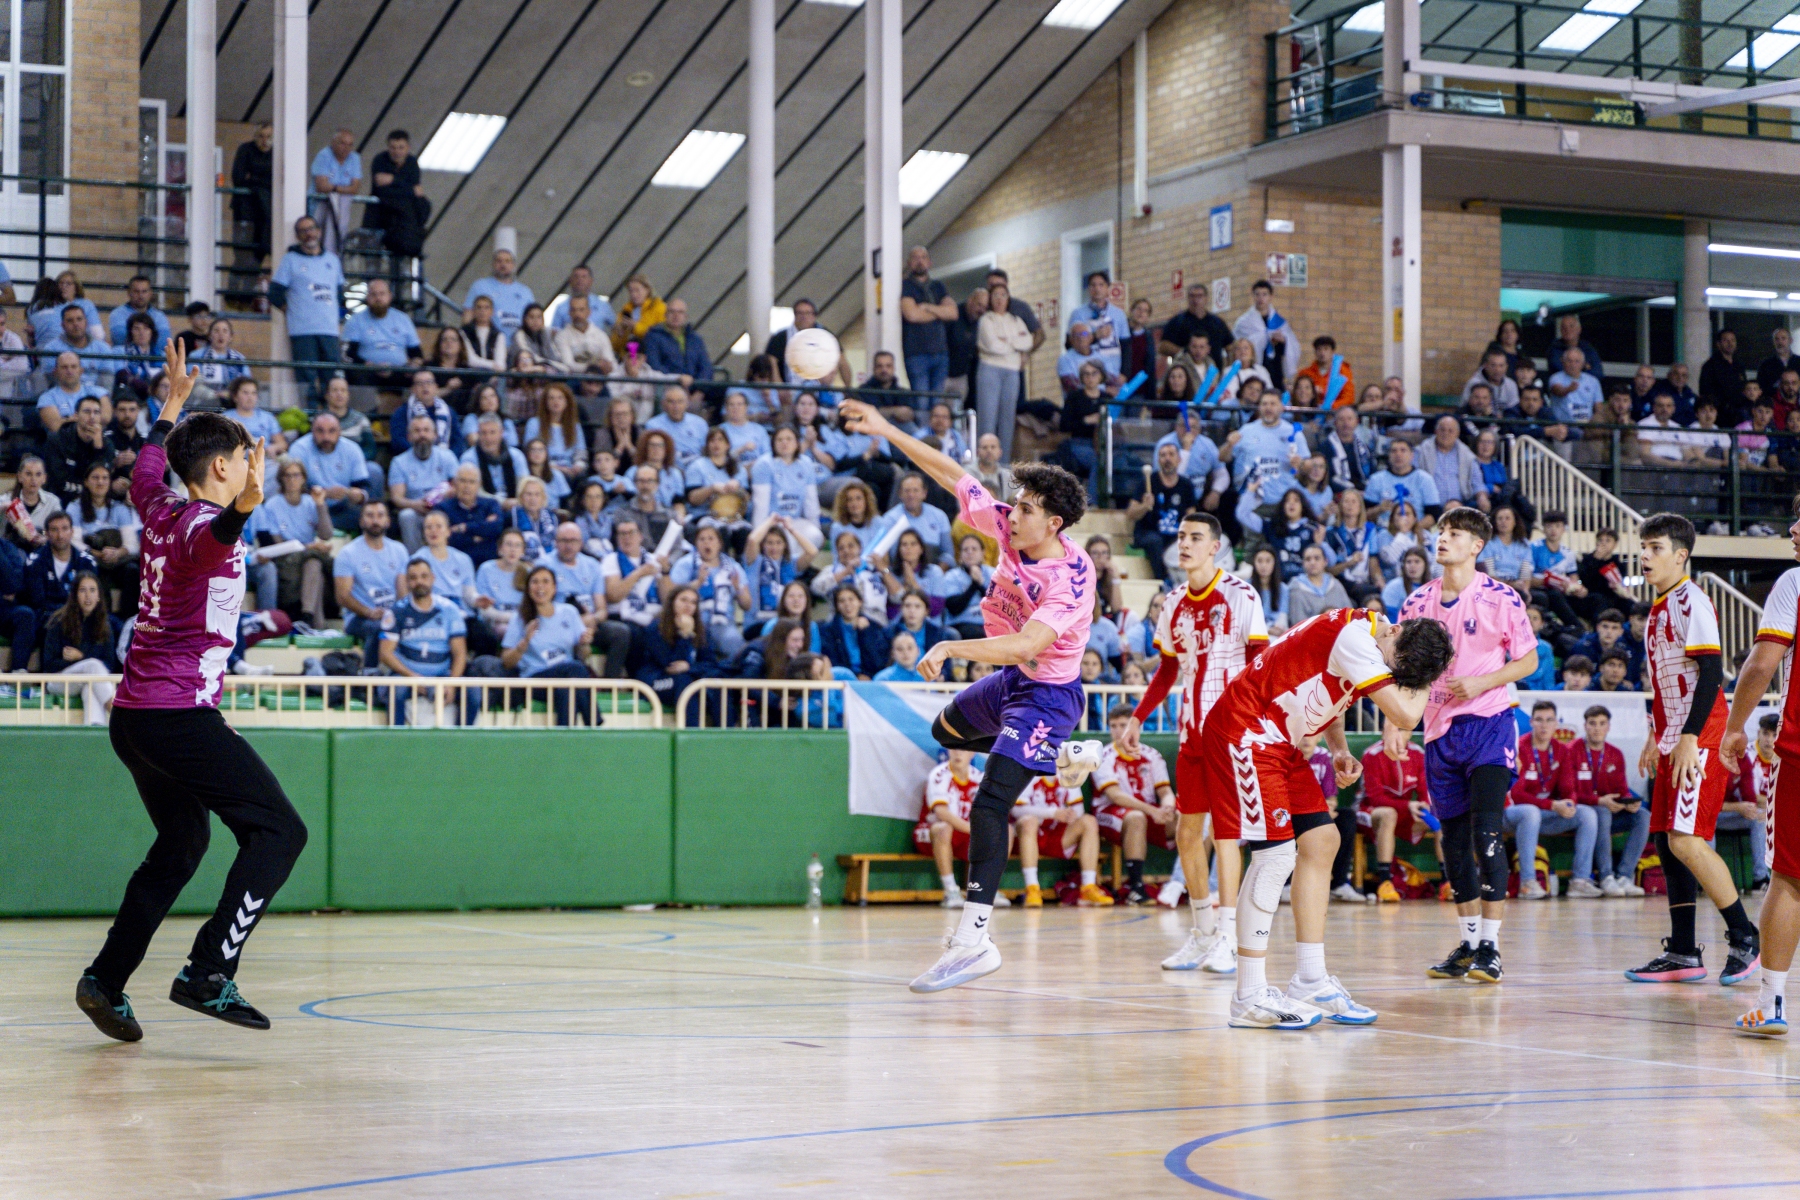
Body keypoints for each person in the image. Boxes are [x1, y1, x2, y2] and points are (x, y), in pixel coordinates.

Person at [75, 339, 308, 1043]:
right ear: (222, 469)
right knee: (280, 832)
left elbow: (146, 468)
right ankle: (208, 971)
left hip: (136, 718)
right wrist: (246, 509)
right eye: (242, 457)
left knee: (181, 843)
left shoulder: (159, 507)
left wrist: (170, 405)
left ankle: (105, 980)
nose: (249, 465)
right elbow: (213, 544)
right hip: (176, 715)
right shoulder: (207, 526)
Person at [839, 398, 1098, 992]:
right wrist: (885, 427)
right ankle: (1057, 756)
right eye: (1016, 504)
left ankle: (973, 941)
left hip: (1046, 696)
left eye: (1026, 508)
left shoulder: (1068, 582)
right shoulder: (1011, 527)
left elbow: (1025, 645)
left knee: (988, 805)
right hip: (1011, 683)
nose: (1012, 514)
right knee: (946, 732)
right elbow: (952, 474)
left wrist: (952, 646)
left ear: (1054, 524)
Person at [1200, 605, 1454, 1028]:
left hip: (1280, 741)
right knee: (1275, 857)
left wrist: (1338, 749)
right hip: (1245, 732)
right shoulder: (1357, 638)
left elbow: (1334, 693)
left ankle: (1310, 979)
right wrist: (1429, 676)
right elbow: (1406, 715)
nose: (1391, 674)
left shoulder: (1369, 637)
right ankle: (1248, 994)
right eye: (1396, 668)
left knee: (1322, 841)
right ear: (1395, 631)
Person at [1399, 507, 1540, 984]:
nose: (1442, 538)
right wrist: (1398, 722)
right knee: (1453, 840)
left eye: (1454, 533)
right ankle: (1469, 943)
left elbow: (1528, 661)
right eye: (1440, 531)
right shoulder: (1416, 601)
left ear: (1477, 546)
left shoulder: (1501, 597)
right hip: (1439, 731)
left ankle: (1492, 949)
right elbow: (1406, 671)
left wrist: (1483, 683)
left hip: (1489, 724)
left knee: (1487, 832)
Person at [1623, 512, 1760, 986]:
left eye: (1655, 547)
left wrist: (1686, 738)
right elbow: (1668, 683)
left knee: (1686, 839)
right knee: (1666, 838)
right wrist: (1654, 733)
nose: (1645, 555)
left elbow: (1711, 673)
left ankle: (1744, 936)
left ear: (1681, 555)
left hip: (1700, 734)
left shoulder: (1692, 600)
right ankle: (1683, 951)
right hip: (1674, 735)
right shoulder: (1658, 608)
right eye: (1643, 547)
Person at [1724, 502, 1800, 1031]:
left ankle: (1771, 1004)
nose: (1793, 528)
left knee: (1790, 879)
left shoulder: (1794, 582)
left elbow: (1761, 664)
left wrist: (1734, 727)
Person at [1558, 703, 1649, 898]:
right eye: (1592, 723)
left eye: (1602, 723)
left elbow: (1622, 790)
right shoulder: (1571, 750)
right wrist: (1599, 801)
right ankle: (1606, 876)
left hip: (1609, 812)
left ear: (1608, 727)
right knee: (1602, 811)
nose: (1597, 728)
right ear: (1585, 726)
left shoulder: (1615, 754)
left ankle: (1624, 876)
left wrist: (1628, 802)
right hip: (1582, 815)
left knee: (1643, 816)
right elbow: (1567, 792)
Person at [1093, 702, 1177, 905]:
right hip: (1108, 812)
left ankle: (1184, 883)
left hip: (1147, 811)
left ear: (1135, 727)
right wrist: (1152, 810)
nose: (1117, 731)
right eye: (1113, 726)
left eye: (1123, 725)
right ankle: (1136, 888)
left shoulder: (1151, 755)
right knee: (1136, 817)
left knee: (1183, 820)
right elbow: (1116, 796)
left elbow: (1165, 791)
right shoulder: (1103, 756)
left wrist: (1167, 807)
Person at [378, 558, 477, 726]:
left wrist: (452, 683)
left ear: (432, 578)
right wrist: (412, 677)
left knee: (473, 693)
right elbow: (385, 653)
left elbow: (460, 653)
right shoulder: (396, 611)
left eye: (424, 576)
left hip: (443, 675)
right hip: (407, 676)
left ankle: (461, 739)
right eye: (413, 577)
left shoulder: (449, 610)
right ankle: (396, 739)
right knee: (397, 691)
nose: (419, 582)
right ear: (407, 581)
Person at [499, 564, 596, 726]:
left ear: (554, 587)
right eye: (535, 582)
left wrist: (584, 643)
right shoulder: (520, 617)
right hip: (535, 679)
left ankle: (564, 738)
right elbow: (506, 661)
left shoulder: (569, 612)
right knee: (576, 668)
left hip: (566, 679)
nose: (540, 586)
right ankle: (594, 723)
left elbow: (584, 653)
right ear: (528, 588)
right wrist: (525, 642)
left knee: (567, 689)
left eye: (545, 581)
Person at [267, 215, 345, 404]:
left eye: (311, 229)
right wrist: (292, 310)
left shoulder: (333, 260)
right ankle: (310, 418)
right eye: (303, 231)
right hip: (302, 331)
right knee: (306, 381)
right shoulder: (290, 260)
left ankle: (331, 417)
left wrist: (340, 321)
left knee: (332, 380)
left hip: (330, 331)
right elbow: (274, 293)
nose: (309, 234)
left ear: (319, 231)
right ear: (298, 236)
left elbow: (340, 295)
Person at [245, 460, 334, 624]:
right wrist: (309, 546)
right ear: (281, 479)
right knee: (315, 561)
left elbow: (326, 534)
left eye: (296, 475)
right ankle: (314, 622)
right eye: (288, 476)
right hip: (286, 558)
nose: (292, 480)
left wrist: (320, 505)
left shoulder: (310, 502)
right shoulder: (273, 505)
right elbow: (278, 544)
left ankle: (308, 617)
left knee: (314, 564)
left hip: (307, 558)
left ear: (303, 478)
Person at [1011, 768, 1110, 906]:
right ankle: (1032, 888)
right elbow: (1016, 810)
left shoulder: (1068, 774)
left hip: (1054, 834)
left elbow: (1078, 811)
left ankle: (1088, 887)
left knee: (1089, 821)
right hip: (1025, 836)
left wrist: (1069, 815)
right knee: (1029, 822)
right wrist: (1053, 813)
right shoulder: (1027, 771)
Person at [333, 500, 411, 667]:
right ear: (361, 521)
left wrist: (395, 614)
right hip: (359, 617)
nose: (375, 520)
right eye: (370, 515)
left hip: (392, 614)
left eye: (380, 516)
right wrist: (369, 612)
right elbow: (342, 596)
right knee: (378, 627)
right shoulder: (348, 553)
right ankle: (370, 674)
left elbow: (403, 592)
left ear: (388, 521)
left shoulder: (399, 550)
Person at [1356, 732, 1433, 902]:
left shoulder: (1418, 753)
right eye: (1393, 729)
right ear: (1385, 732)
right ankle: (1385, 883)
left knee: (1442, 815)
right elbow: (1376, 799)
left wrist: (1425, 805)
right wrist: (1408, 806)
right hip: (1369, 811)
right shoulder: (1372, 754)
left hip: (1403, 811)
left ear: (1410, 733)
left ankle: (1448, 883)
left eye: (1402, 730)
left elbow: (1424, 790)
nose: (1397, 735)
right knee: (1389, 814)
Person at [43, 571, 122, 725]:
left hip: (90, 680)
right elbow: (49, 664)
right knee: (92, 666)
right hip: (58, 681)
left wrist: (81, 657)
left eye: (92, 590)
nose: (88, 596)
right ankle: (118, 716)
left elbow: (109, 664)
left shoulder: (104, 625)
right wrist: (80, 662)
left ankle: (94, 730)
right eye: (82, 590)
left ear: (99, 596)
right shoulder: (59, 621)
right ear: (75, 595)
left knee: (90, 685)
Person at [914, 750, 987, 907]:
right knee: (944, 828)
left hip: (963, 833)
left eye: (963, 749)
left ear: (972, 753)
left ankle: (983, 889)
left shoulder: (979, 778)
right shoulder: (939, 775)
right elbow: (941, 812)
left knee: (1004, 831)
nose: (958, 753)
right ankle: (950, 890)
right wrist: (973, 830)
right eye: (954, 748)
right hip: (930, 831)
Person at [975, 280, 1034, 460]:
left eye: (1003, 295)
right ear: (990, 299)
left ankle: (1004, 464)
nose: (1000, 299)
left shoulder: (1016, 320)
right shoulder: (986, 320)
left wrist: (1006, 341)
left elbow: (1028, 341)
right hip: (990, 369)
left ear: (1008, 299)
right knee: (988, 419)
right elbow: (993, 345)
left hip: (1012, 371)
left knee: (1007, 421)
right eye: (995, 295)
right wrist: (1015, 344)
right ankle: (984, 464)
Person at [1125, 442, 1197, 584]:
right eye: (1163, 455)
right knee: (1155, 541)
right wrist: (1145, 506)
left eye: (1171, 454)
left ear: (1179, 459)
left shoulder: (1186, 485)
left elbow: (1192, 517)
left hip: (1175, 536)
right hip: (1148, 533)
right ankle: (1163, 581)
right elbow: (1130, 514)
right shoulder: (1147, 482)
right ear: (1158, 460)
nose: (1167, 458)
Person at [635, 583, 718, 706]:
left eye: (693, 602)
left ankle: (725, 719)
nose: (688, 605)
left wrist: (690, 668)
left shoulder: (702, 631)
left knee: (716, 685)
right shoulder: (655, 629)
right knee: (685, 682)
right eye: (683, 600)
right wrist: (685, 635)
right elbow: (672, 665)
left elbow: (711, 663)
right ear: (672, 602)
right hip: (654, 681)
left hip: (685, 678)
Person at [387, 414, 461, 551]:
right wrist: (415, 505)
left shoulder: (447, 456)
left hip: (444, 509)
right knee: (406, 516)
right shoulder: (399, 462)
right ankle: (416, 558)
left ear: (435, 435)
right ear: (409, 437)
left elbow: (460, 486)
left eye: (426, 430)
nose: (422, 435)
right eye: (417, 431)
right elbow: (396, 498)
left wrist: (450, 493)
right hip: (416, 510)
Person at [1233, 280, 1300, 391]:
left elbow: (1292, 346)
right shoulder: (1244, 322)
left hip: (1275, 370)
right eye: (1257, 294)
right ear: (1253, 296)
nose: (1261, 298)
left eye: (1264, 294)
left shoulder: (1280, 322)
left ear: (1271, 297)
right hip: (1254, 369)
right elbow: (1237, 344)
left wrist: (1283, 341)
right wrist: (1261, 338)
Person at [1158, 281, 1232, 370]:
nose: (1195, 300)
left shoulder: (1217, 323)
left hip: (1214, 373)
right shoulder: (1177, 322)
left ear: (1206, 298)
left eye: (1199, 296)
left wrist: (1229, 370)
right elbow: (1162, 346)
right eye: (1192, 296)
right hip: (1187, 373)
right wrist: (1183, 352)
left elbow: (1230, 347)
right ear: (1188, 298)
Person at [1286, 544, 1351, 627]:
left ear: (1325, 561)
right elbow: (1298, 623)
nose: (1312, 563)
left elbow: (1349, 614)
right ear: (1303, 563)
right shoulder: (1296, 588)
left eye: (1317, 558)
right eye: (1308, 559)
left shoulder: (1335, 584)